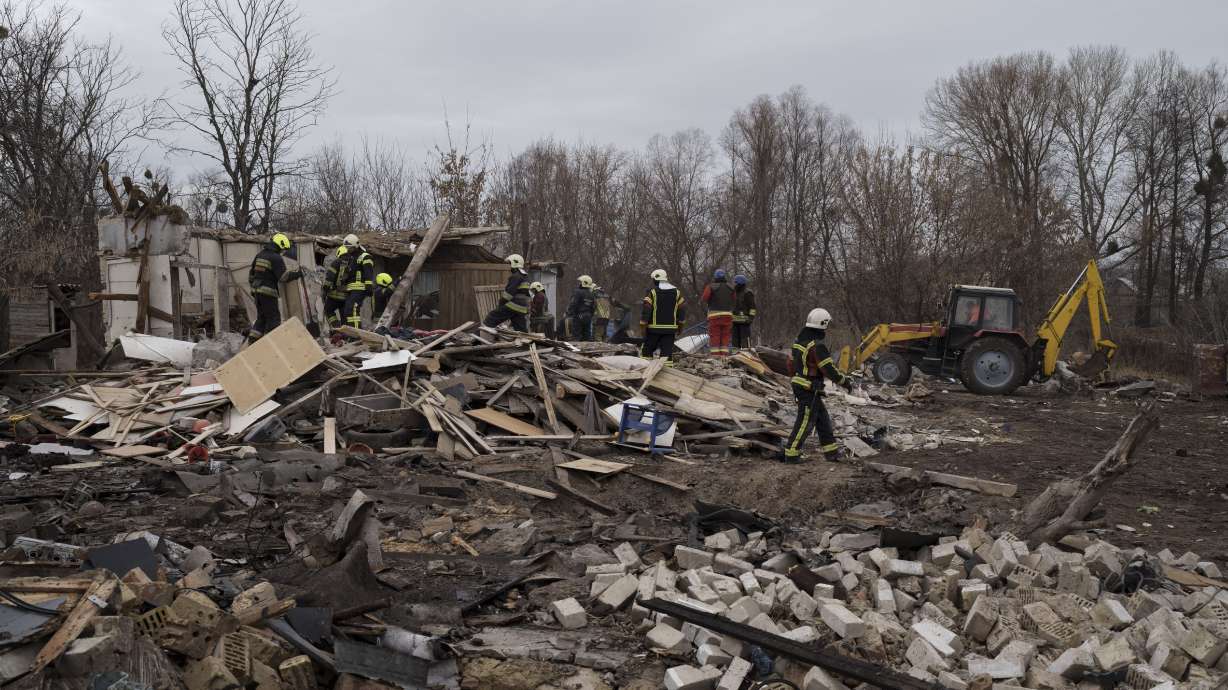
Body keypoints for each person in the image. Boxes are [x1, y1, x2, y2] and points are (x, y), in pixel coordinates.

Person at [782, 308, 853, 463]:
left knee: (822, 419)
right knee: (805, 422)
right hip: (809, 388)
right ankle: (791, 454)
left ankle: (831, 452)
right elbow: (828, 369)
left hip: (803, 385)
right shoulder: (816, 345)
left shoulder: (799, 341)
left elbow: (790, 364)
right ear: (823, 324)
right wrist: (844, 381)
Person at [247, 232, 301, 341]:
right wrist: (298, 273)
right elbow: (283, 277)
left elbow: (251, 275)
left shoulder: (260, 255)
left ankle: (252, 340)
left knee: (261, 318)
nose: (283, 252)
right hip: (268, 293)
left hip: (257, 292)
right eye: (283, 249)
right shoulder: (276, 258)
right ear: (279, 245)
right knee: (274, 318)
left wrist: (254, 289)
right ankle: (273, 343)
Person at [640, 269, 685, 359]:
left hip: (653, 330)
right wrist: (680, 327)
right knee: (666, 354)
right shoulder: (677, 293)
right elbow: (682, 312)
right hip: (670, 331)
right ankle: (667, 371)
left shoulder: (652, 293)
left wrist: (643, 327)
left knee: (646, 352)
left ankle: (646, 370)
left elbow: (646, 311)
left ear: (655, 280)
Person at [483, 253, 531, 331]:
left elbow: (508, 294)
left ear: (514, 263)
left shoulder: (516, 276)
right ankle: (526, 341)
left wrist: (501, 303)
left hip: (515, 304)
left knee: (492, 316)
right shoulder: (525, 276)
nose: (509, 267)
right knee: (520, 329)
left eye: (510, 264)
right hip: (522, 307)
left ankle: (485, 336)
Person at [340, 234, 374, 329]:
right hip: (351, 290)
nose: (347, 249)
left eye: (349, 247)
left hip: (360, 288)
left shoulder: (365, 256)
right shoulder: (351, 258)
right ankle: (351, 333)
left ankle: (356, 334)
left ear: (356, 245)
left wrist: (368, 286)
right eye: (346, 247)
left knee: (353, 310)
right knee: (347, 310)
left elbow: (368, 272)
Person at [701, 269, 736, 356]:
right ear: (724, 276)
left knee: (715, 336)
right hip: (727, 315)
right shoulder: (731, 287)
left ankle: (716, 357)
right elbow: (735, 299)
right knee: (725, 336)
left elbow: (704, 298)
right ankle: (724, 357)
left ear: (715, 277)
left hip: (715, 316)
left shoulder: (711, 287)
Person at [323, 245, 352, 328]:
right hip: (347, 297)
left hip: (334, 296)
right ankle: (345, 333)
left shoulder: (336, 262)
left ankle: (336, 326)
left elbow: (330, 277)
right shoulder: (353, 264)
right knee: (344, 316)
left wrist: (325, 289)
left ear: (339, 252)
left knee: (328, 310)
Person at [566, 274, 597, 341]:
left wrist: (569, 313)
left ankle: (577, 350)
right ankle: (587, 350)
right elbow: (594, 307)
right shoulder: (592, 294)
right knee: (587, 336)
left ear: (584, 283)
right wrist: (590, 315)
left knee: (576, 336)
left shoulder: (578, 292)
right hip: (588, 317)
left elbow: (573, 304)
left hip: (578, 317)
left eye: (580, 282)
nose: (579, 284)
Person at [732, 274, 757, 351]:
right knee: (735, 344)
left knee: (745, 342)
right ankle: (735, 357)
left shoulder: (748, 293)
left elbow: (753, 308)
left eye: (735, 283)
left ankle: (746, 358)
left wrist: (751, 318)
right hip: (734, 322)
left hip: (745, 322)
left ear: (740, 283)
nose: (734, 284)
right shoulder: (733, 293)